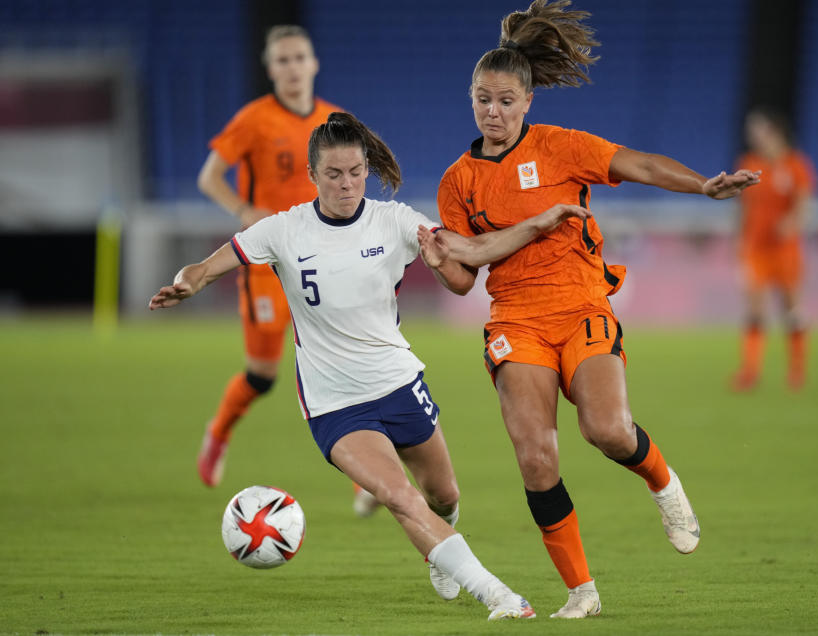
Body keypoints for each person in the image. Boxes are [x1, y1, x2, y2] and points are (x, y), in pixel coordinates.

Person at [151, 112, 591, 619]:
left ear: (367, 169)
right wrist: (189, 282)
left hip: (398, 382)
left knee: (442, 495)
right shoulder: (283, 230)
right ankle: (497, 594)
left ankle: (439, 549)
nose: (347, 184)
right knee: (399, 496)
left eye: (356, 171)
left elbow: (471, 253)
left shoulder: (396, 221)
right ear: (313, 175)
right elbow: (208, 265)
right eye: (334, 174)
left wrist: (534, 225)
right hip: (334, 403)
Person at [421, 0, 759, 619]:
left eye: (503, 101)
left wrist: (703, 186)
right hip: (515, 320)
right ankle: (582, 590)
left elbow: (641, 164)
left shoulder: (562, 147)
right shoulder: (458, 180)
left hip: (580, 306)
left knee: (607, 430)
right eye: (481, 99)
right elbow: (464, 281)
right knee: (536, 456)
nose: (491, 112)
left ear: (527, 102)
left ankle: (663, 482)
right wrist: (439, 258)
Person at [194, 25, 343, 490]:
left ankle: (365, 478)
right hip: (264, 264)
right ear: (270, 68)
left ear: (314, 63)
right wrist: (243, 210)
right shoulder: (255, 119)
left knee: (343, 364)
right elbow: (209, 176)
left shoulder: (334, 121)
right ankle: (217, 434)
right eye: (283, 60)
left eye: (300, 57)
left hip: (322, 263)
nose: (293, 67)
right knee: (262, 376)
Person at [730, 106, 817, 391]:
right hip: (756, 249)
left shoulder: (796, 166)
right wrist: (739, 239)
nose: (753, 135)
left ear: (774, 132)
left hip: (786, 250)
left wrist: (791, 223)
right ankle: (750, 372)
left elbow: (804, 204)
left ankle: (797, 372)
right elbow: (742, 207)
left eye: (757, 129)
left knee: (791, 309)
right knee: (755, 310)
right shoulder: (748, 163)